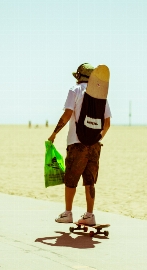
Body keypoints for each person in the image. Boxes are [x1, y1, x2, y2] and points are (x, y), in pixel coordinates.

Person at [48, 63, 111, 225]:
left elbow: (68, 114)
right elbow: (107, 123)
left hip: (77, 144)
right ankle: (90, 215)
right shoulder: (100, 95)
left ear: (78, 77)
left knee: (71, 178)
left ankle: (68, 213)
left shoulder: (75, 90)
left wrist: (54, 133)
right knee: (90, 180)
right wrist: (97, 138)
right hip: (95, 145)